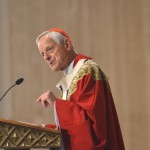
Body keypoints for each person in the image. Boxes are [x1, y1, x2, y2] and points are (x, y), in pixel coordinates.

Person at [36, 28, 125, 150]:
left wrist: (56, 103)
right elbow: (74, 127)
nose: (46, 57)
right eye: (42, 54)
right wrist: (44, 130)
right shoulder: (71, 76)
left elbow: (94, 128)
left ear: (67, 44)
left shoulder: (87, 70)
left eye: (50, 49)